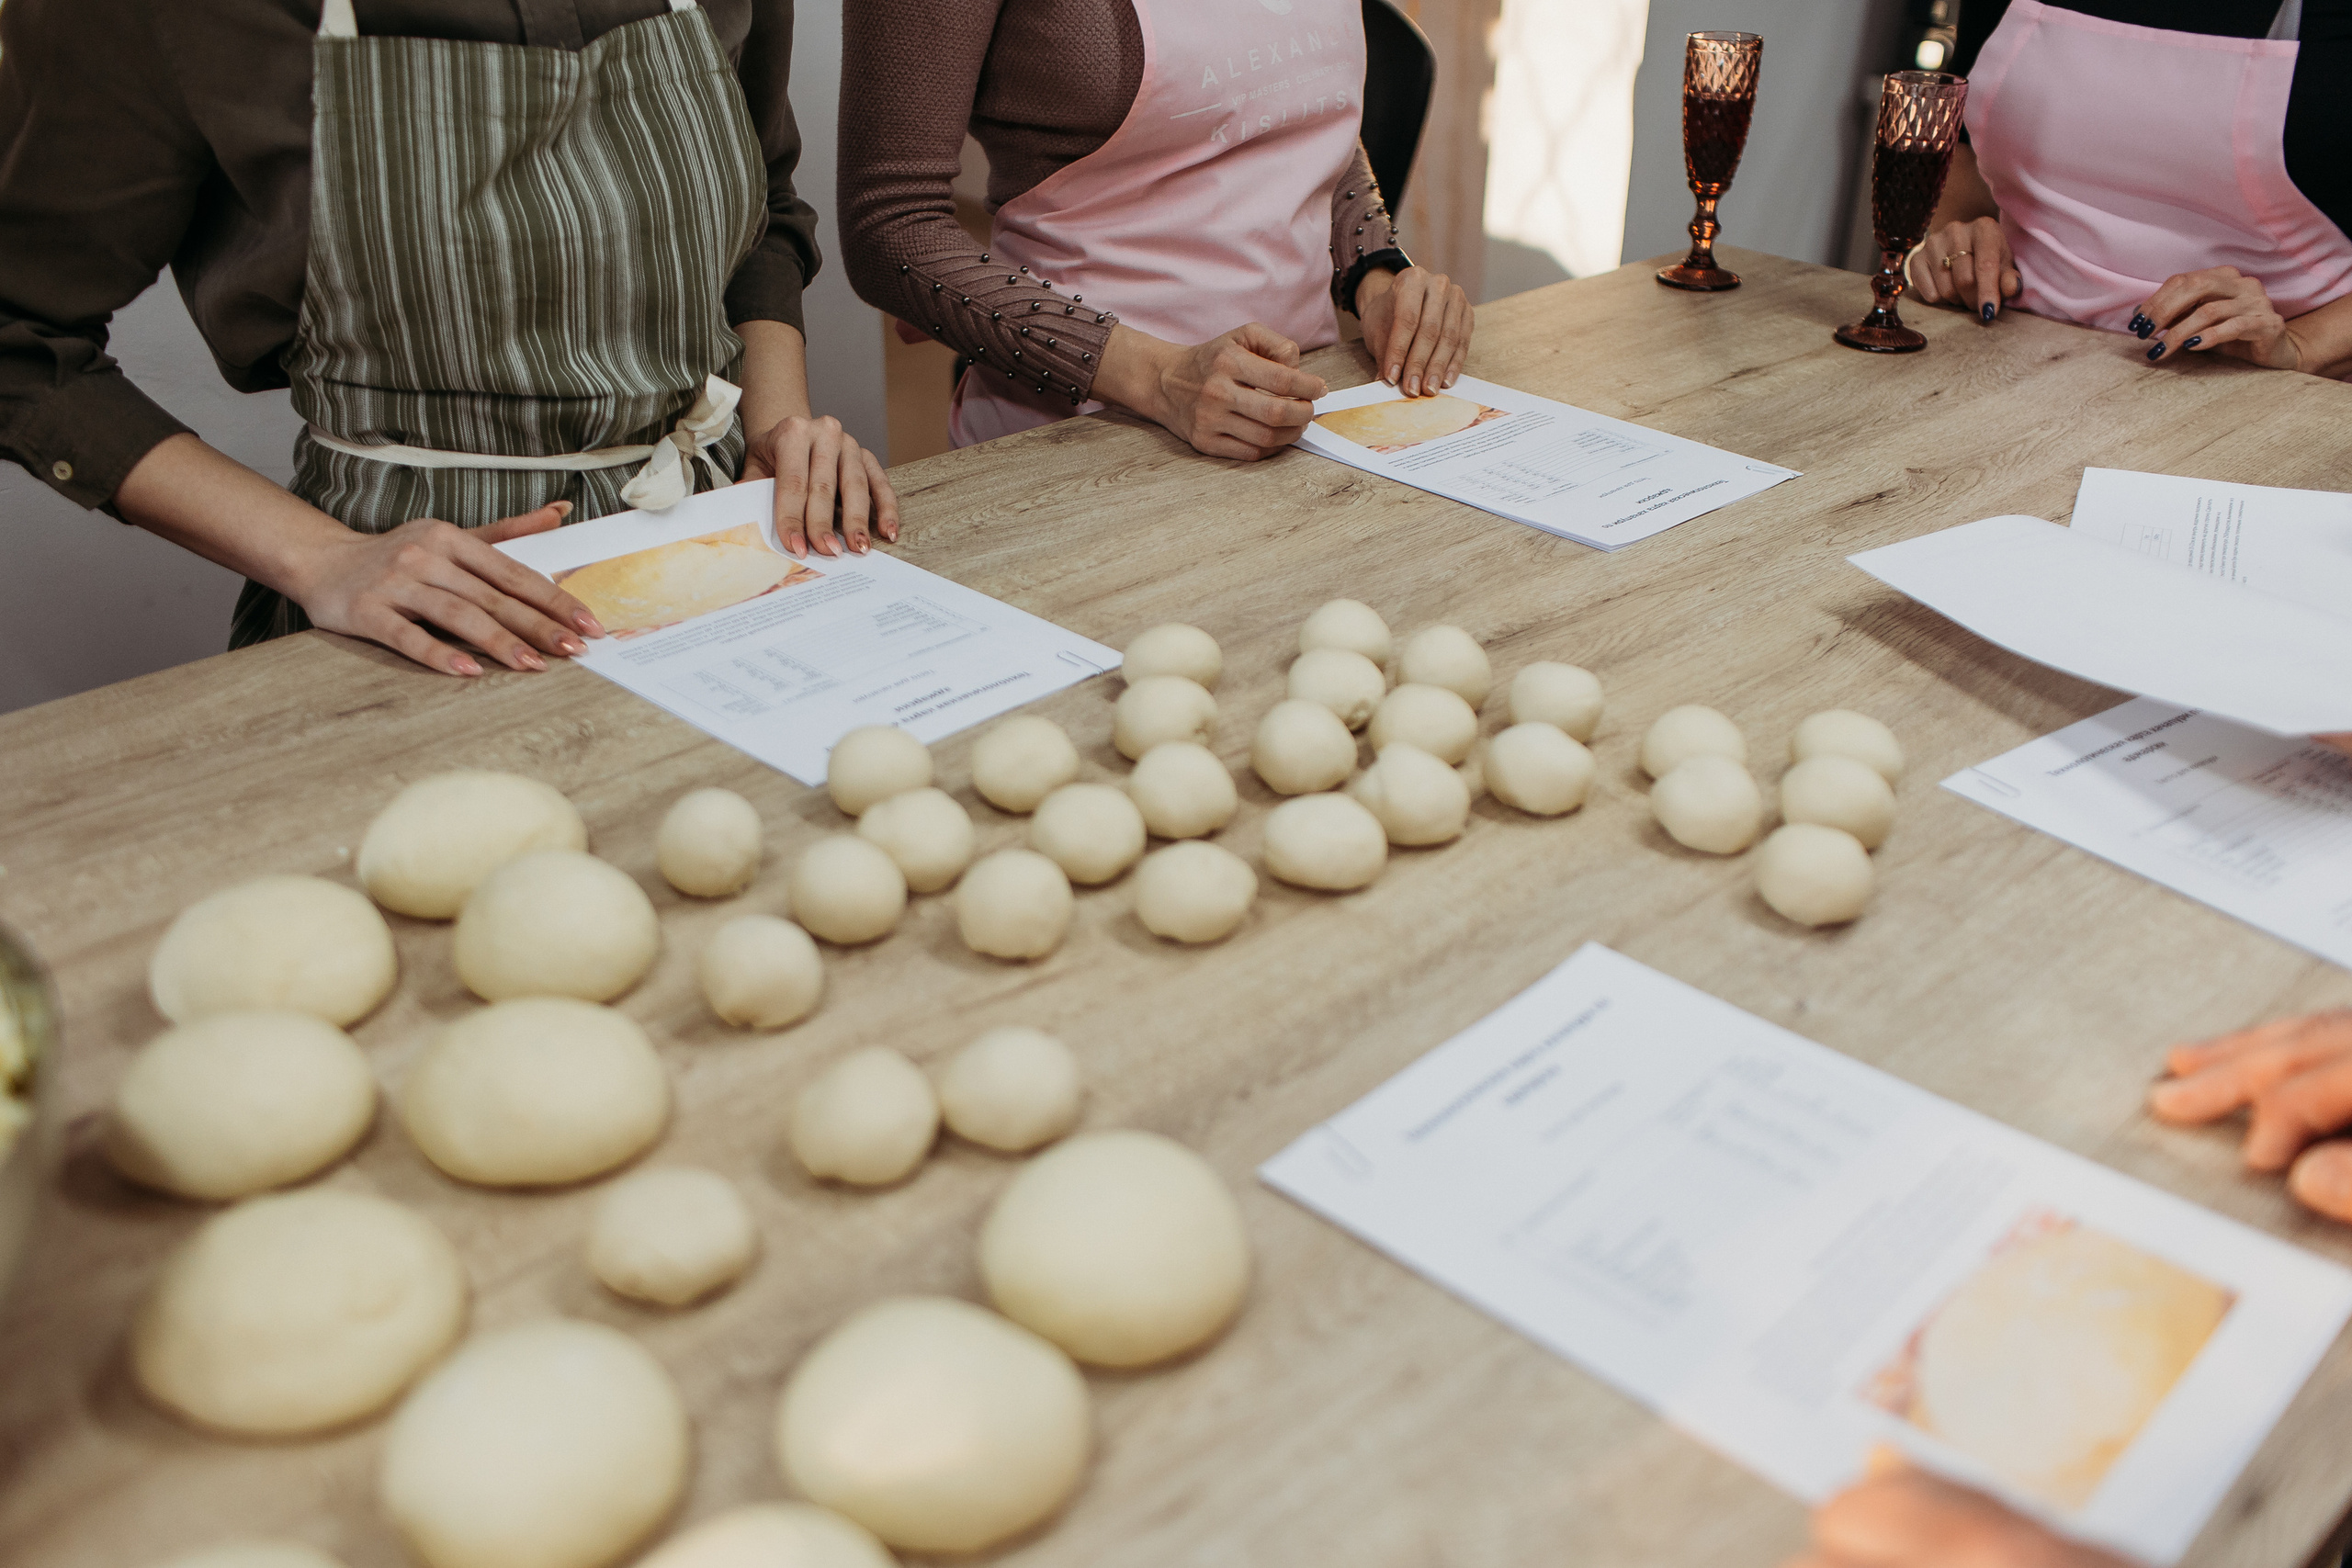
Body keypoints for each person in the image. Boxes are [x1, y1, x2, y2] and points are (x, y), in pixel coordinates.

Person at [0, 0, 891, 682]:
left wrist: (779, 425)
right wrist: (322, 559)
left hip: (715, 560)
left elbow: (763, 208)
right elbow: (21, 336)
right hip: (426, 628)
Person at [836, 0, 1476, 459]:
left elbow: (1292, 105)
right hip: (1082, 441)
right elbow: (890, 224)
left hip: (1305, 419)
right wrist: (1163, 379)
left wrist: (1377, 272)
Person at [1904, 0, 2352, 379]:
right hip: (1995, 357)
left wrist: (2303, 345)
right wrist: (1960, 242)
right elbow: (1959, 143)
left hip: (2256, 393)